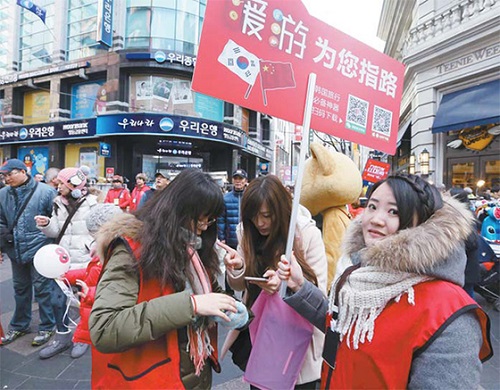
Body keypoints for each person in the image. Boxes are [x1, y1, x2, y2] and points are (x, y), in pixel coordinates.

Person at [277, 174, 493, 389]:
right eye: (372, 206)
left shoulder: (448, 311)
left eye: (393, 211)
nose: (376, 219)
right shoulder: (359, 274)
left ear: (422, 222)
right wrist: (300, 285)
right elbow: (341, 323)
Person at [89, 169, 243, 389]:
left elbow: (213, 296)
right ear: (178, 210)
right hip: (151, 376)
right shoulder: (132, 249)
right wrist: (191, 305)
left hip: (195, 369)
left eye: (210, 219)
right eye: (199, 217)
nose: (204, 225)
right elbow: (105, 328)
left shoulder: (193, 245)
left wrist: (232, 294)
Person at [220, 174, 327, 388]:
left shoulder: (307, 235)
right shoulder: (246, 232)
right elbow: (241, 287)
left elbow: (320, 300)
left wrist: (284, 286)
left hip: (295, 342)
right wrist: (238, 267)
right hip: (260, 337)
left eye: (267, 216)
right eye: (253, 216)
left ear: (280, 210)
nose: (260, 223)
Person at [35, 167, 99, 359]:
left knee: (82, 303)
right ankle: (62, 337)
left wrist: (94, 248)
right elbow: (56, 231)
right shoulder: (57, 203)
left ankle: (82, 338)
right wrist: (46, 225)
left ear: (74, 185)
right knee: (56, 300)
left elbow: (101, 230)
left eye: (61, 183)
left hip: (84, 261)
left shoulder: (93, 204)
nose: (58, 186)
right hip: (62, 261)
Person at [0, 159, 58, 347]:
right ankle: (20, 325)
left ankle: (48, 326)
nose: (7, 178)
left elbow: (56, 220)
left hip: (40, 249)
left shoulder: (46, 192)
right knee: (20, 289)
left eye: (10, 174)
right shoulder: (2, 194)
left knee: (43, 289)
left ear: (23, 171)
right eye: (4, 175)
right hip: (15, 249)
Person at [63, 203, 123, 359]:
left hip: (99, 306)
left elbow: (119, 289)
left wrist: (90, 293)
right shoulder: (105, 250)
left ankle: (84, 341)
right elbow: (90, 271)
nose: (94, 240)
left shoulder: (119, 255)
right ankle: (83, 340)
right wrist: (68, 275)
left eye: (95, 235)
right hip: (91, 301)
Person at [217, 169, 248, 250]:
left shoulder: (250, 197)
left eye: (240, 179)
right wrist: (221, 238)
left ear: (245, 181)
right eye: (235, 178)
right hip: (230, 243)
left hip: (247, 241)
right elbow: (221, 220)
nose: (238, 181)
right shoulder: (225, 198)